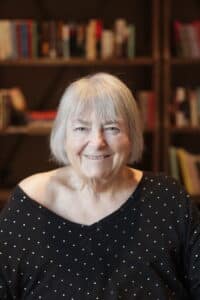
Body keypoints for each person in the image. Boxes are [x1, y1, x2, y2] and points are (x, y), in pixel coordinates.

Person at [0, 72, 200, 300]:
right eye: (81, 128)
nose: (97, 142)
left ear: (131, 135)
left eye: (112, 128)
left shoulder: (168, 198)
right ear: (63, 135)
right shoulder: (28, 203)